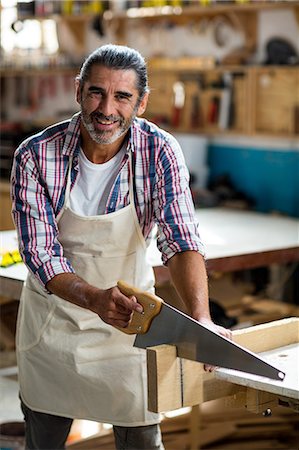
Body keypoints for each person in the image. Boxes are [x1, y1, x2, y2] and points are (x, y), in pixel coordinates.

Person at [11, 44, 231, 450]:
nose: (106, 108)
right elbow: (42, 255)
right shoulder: (36, 155)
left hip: (130, 328)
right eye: (96, 92)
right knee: (44, 440)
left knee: (142, 438)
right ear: (78, 91)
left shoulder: (159, 152)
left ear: (141, 103)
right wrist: (94, 298)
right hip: (52, 326)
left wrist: (201, 321)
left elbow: (180, 239)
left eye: (122, 96)